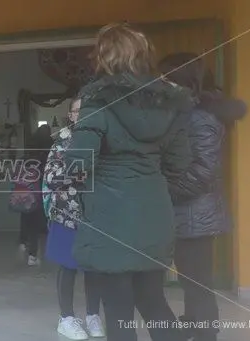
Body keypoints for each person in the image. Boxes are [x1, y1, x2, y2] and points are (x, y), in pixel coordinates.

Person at [65, 22, 194, 341]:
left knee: (119, 312)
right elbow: (180, 163)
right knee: (154, 302)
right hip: (154, 214)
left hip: (110, 221)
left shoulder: (97, 98)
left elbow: (79, 162)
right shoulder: (169, 101)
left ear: (105, 57)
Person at [159, 53, 247, 341]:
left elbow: (202, 172)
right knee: (190, 277)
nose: (160, 84)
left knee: (198, 281)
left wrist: (167, 192)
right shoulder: (189, 113)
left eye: (166, 79)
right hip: (191, 212)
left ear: (181, 83)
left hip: (196, 212)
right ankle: (193, 323)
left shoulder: (200, 118)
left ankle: (206, 331)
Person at [43, 97, 105, 340]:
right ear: (70, 115)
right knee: (68, 266)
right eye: (77, 111)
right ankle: (66, 318)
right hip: (66, 213)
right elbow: (51, 177)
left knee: (94, 268)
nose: (82, 115)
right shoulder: (62, 141)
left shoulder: (102, 139)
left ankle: (92, 315)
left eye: (86, 110)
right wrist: (80, 171)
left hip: (95, 214)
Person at [20, 124, 54, 266]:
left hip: (28, 188)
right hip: (43, 189)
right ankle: (43, 251)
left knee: (28, 218)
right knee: (45, 219)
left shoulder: (30, 147)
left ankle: (26, 246)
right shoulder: (50, 148)